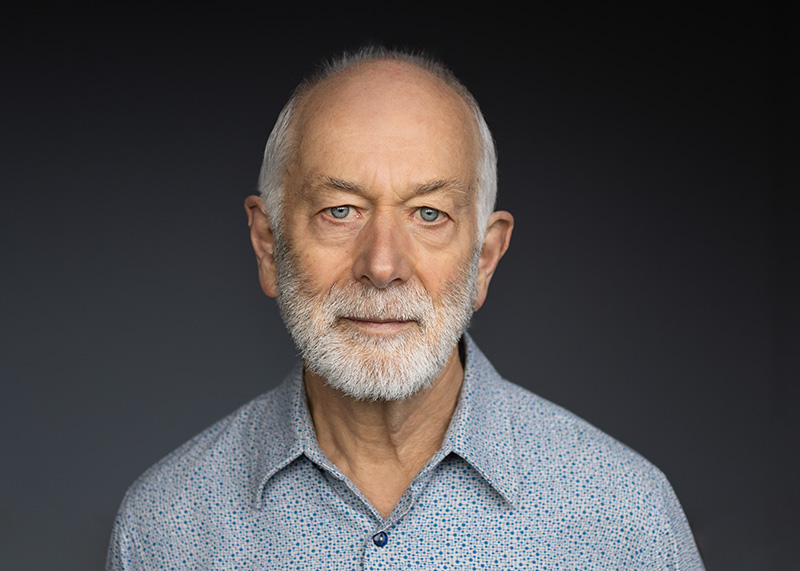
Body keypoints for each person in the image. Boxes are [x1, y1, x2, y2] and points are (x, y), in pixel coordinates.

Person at [106, 46, 705, 570]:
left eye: (429, 214)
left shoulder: (627, 521)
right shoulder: (163, 527)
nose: (383, 265)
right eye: (339, 210)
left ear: (485, 259)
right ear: (268, 244)